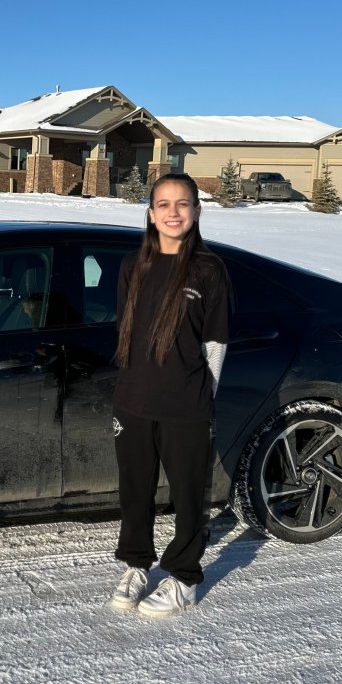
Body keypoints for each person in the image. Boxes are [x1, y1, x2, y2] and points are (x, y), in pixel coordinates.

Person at [109, 173, 231, 618]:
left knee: (187, 494)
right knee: (134, 491)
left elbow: (215, 343)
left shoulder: (209, 270)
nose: (173, 212)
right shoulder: (132, 267)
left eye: (183, 204)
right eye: (164, 204)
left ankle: (183, 576)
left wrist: (203, 397)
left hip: (186, 404)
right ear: (150, 213)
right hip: (134, 401)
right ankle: (136, 564)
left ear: (197, 212)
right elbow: (128, 333)